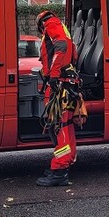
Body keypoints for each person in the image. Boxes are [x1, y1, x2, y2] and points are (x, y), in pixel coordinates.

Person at [35, 10, 81, 187]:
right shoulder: (60, 26)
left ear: (41, 22)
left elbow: (60, 46)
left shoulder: (51, 25)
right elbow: (72, 52)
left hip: (60, 85)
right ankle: (65, 163)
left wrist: (53, 76)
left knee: (58, 127)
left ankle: (59, 171)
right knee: (66, 127)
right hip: (67, 84)